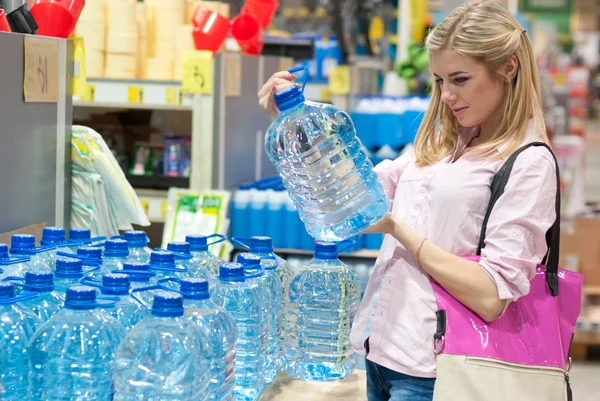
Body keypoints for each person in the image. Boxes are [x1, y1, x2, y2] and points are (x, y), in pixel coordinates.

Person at [257, 1, 557, 400]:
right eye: (438, 81)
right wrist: (295, 124)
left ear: (508, 68)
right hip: (380, 353)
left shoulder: (528, 162)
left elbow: (491, 295)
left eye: (461, 79)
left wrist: (398, 228)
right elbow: (351, 201)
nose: (447, 94)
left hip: (437, 369)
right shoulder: (442, 143)